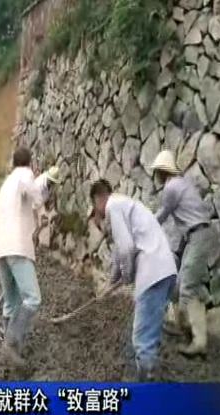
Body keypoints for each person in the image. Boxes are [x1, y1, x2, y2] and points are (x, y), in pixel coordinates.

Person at [89, 179, 177, 381]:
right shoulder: (124, 204)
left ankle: (147, 394)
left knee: (141, 340)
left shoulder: (112, 206)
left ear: (98, 199)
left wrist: (127, 276)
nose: (98, 213)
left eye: (95, 206)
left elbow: (127, 248)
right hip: (164, 269)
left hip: (153, 271)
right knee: (147, 335)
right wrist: (111, 283)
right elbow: (121, 252)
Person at [151, 150, 212, 358]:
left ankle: (199, 342)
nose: (156, 176)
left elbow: (162, 215)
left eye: (157, 172)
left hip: (199, 235)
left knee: (188, 287)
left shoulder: (171, 187)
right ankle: (177, 323)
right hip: (195, 235)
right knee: (177, 282)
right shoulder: (183, 182)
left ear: (162, 171)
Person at [0, 147, 44, 367]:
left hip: (1, 247)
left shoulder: (6, 183)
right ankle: (11, 344)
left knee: (10, 302)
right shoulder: (25, 175)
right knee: (33, 298)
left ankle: (10, 355)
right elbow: (33, 193)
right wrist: (42, 209)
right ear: (29, 163)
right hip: (17, 245)